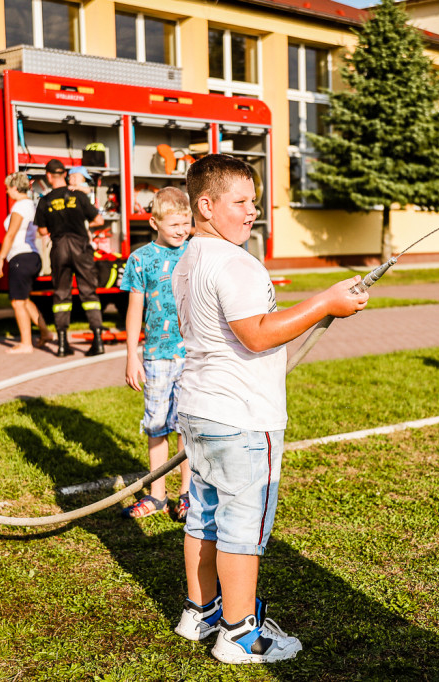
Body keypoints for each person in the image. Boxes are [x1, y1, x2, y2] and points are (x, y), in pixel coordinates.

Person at [171, 155, 369, 664]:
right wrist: (326, 302)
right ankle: (239, 634)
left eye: (254, 202)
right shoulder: (235, 262)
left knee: (204, 517)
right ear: (206, 205)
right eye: (241, 202)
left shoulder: (191, 256)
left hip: (198, 409)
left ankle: (201, 611)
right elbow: (256, 335)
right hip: (240, 419)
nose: (252, 211)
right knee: (241, 525)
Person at [119, 187, 193, 521]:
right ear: (154, 223)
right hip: (156, 357)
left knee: (187, 427)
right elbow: (135, 308)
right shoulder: (140, 259)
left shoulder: (196, 253)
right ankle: (157, 495)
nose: (182, 230)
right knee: (157, 425)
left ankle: (187, 494)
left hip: (193, 356)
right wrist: (132, 354)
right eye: (175, 223)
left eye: (186, 223)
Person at [33, 159, 106, 357]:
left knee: (61, 295)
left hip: (59, 249)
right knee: (89, 294)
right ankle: (98, 341)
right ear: (64, 175)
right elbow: (99, 219)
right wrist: (82, 226)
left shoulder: (45, 200)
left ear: (48, 176)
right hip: (81, 247)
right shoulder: (79, 197)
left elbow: (42, 230)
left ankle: (63, 345)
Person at [0, 172, 54, 354]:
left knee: (17, 302)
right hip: (32, 256)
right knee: (25, 299)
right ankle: (45, 332)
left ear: (14, 187)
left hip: (20, 256)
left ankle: (26, 344)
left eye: (7, 188)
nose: (6, 192)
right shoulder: (32, 205)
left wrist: (0, 258)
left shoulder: (20, 207)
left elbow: (10, 234)